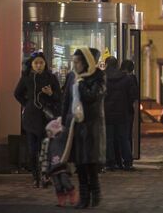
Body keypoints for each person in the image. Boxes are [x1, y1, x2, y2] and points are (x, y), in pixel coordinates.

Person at [62, 47, 106, 209]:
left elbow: (92, 96)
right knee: (79, 164)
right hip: (75, 126)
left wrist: (80, 85)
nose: (75, 65)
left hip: (91, 126)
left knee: (90, 164)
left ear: (86, 62)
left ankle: (96, 194)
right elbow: (66, 99)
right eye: (73, 62)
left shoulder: (98, 77)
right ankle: (84, 197)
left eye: (78, 62)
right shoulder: (73, 77)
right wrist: (63, 120)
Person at [14, 51, 61, 188]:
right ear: (32, 64)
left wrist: (51, 94)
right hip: (31, 118)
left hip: (47, 118)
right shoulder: (26, 78)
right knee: (32, 149)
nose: (39, 65)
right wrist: (27, 104)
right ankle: (36, 176)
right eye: (36, 63)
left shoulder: (51, 78)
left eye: (41, 63)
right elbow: (17, 94)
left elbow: (59, 97)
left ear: (45, 64)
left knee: (46, 149)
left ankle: (46, 175)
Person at [103, 56, 136, 171]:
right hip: (123, 113)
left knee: (109, 138)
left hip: (107, 113)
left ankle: (110, 162)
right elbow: (132, 95)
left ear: (106, 64)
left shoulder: (103, 78)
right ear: (117, 65)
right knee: (124, 138)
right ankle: (127, 162)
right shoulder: (126, 78)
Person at [39, 117, 77, 207]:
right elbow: (46, 156)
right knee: (57, 185)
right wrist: (45, 171)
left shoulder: (61, 139)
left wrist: (63, 123)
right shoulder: (47, 142)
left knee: (65, 181)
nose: (47, 133)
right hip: (52, 168)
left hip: (62, 165)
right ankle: (61, 199)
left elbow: (67, 133)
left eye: (49, 131)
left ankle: (73, 194)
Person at [120, 59, 140, 170]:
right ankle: (128, 160)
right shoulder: (131, 79)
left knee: (118, 136)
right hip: (127, 110)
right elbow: (134, 95)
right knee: (127, 136)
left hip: (116, 111)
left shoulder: (117, 78)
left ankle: (119, 159)